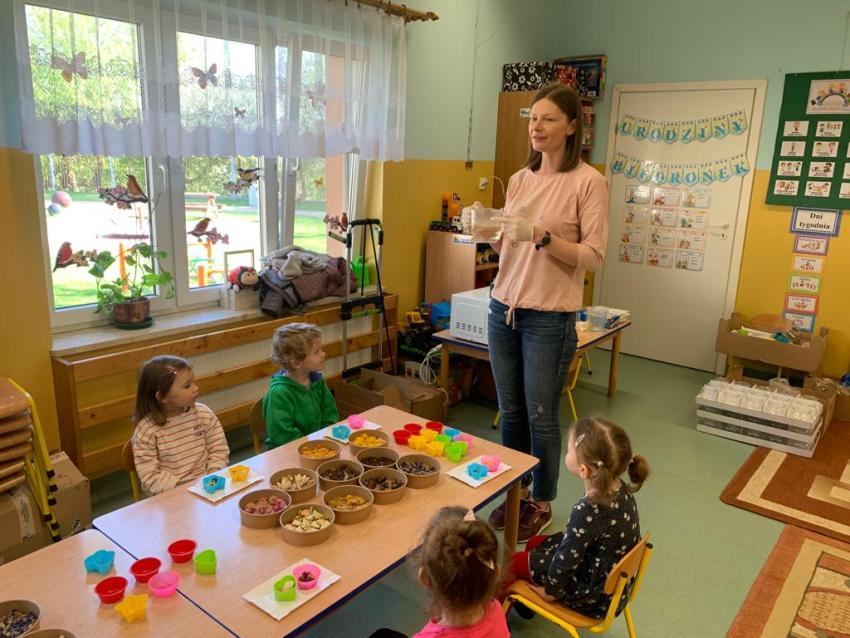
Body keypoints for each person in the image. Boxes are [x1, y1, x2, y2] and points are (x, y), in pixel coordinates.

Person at [468, 83, 609, 542]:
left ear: (571, 127)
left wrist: (542, 236)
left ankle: (542, 500)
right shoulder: (520, 179)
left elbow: (593, 256)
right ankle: (517, 491)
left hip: (549, 317)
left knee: (540, 413)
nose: (537, 127)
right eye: (533, 118)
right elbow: (509, 248)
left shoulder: (588, 182)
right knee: (509, 409)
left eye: (548, 119)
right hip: (503, 308)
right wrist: (485, 230)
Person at [505, 417, 649, 620]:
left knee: (514, 562)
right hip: (612, 586)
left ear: (584, 470)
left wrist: (551, 591)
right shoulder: (620, 488)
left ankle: (495, 623)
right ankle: (526, 605)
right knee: (535, 543)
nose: (567, 452)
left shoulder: (588, 509)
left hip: (592, 596)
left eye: (569, 450)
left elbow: (567, 559)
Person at [132, 355, 229, 495]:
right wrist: (186, 490)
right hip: (172, 494)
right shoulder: (146, 431)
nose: (195, 388)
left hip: (208, 486)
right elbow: (150, 477)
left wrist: (212, 476)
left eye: (193, 382)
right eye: (187, 386)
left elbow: (219, 449)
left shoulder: (203, 413)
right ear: (162, 397)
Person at [262, 322, 338, 448]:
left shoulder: (317, 380)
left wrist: (325, 434)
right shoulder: (279, 393)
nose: (323, 354)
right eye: (317, 351)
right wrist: (310, 446)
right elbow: (282, 434)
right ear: (296, 362)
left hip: (317, 444)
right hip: (287, 450)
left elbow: (329, 412)